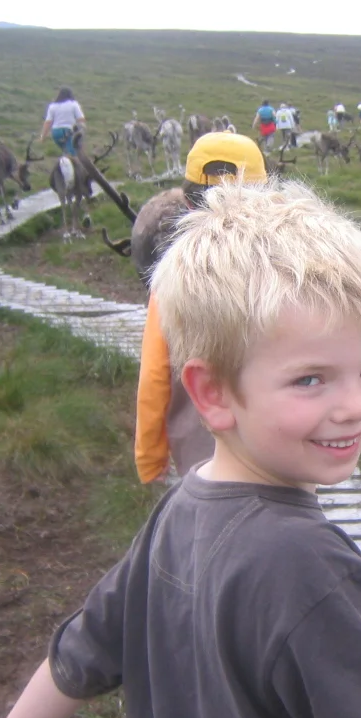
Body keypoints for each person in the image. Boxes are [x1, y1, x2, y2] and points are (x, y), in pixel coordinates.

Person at [0, 174, 361, 718]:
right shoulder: (307, 565)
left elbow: (81, 653)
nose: (354, 407)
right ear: (212, 393)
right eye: (310, 378)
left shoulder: (177, 513)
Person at [135, 131, 268, 485]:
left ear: (188, 202)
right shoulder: (289, 269)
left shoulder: (172, 277)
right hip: (278, 451)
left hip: (201, 459)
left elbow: (155, 374)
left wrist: (150, 458)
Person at [37, 86, 85, 156]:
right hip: (69, 131)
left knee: (66, 152)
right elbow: (81, 119)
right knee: (72, 155)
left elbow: (48, 122)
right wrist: (81, 130)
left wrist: (43, 137)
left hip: (56, 132)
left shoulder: (52, 106)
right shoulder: (74, 104)